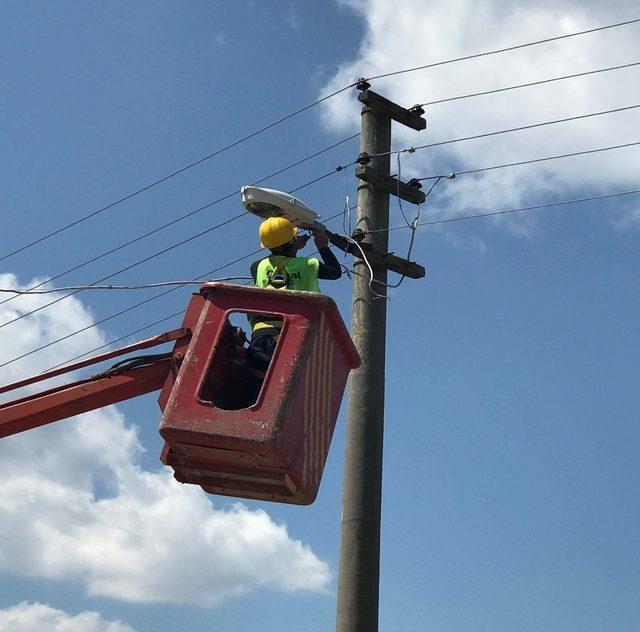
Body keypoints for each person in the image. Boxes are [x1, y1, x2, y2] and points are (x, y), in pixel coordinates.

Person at [246, 216, 342, 377]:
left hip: (262, 336)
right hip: (294, 335)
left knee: (259, 381)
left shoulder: (257, 267)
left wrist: (291, 247)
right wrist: (322, 246)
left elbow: (280, 262)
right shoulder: (308, 264)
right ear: (291, 242)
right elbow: (335, 271)